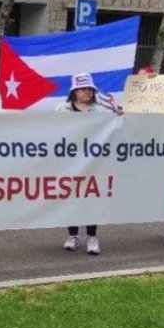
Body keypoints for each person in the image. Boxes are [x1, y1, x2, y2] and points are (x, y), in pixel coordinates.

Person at [55, 74, 118, 255]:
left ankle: (92, 236)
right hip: (69, 162)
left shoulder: (102, 110)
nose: (87, 92)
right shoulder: (62, 109)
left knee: (91, 198)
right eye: (83, 89)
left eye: (90, 89)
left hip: (94, 162)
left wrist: (118, 117)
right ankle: (73, 235)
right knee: (71, 198)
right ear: (74, 91)